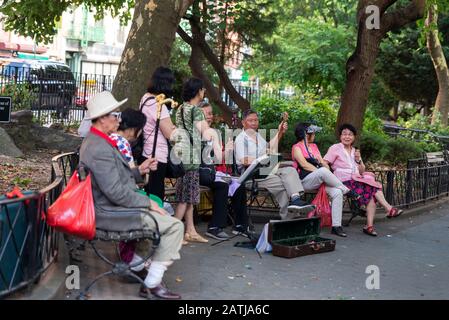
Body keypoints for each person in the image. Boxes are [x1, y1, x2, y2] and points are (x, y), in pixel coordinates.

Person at [79, 91, 183, 299]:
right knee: (174, 226)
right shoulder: (98, 147)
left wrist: (137, 172)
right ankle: (151, 283)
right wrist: (147, 203)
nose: (118, 119)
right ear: (101, 118)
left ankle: (137, 268)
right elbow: (116, 192)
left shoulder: (99, 141)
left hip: (112, 207)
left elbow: (114, 180)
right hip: (108, 213)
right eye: (114, 115)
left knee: (160, 221)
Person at [324, 123, 403, 236]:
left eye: (350, 134)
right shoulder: (335, 148)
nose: (347, 137)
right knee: (373, 189)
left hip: (356, 179)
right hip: (343, 181)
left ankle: (370, 226)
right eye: (344, 134)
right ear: (340, 136)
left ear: (354, 137)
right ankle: (388, 209)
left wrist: (358, 159)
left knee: (372, 192)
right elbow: (325, 161)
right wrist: (329, 176)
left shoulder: (355, 151)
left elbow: (362, 170)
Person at [234, 109, 315, 220]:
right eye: (250, 120)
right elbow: (244, 160)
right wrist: (264, 159)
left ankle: (296, 200)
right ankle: (289, 217)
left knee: (290, 170)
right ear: (243, 123)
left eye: (256, 120)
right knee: (285, 184)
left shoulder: (257, 136)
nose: (254, 123)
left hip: (265, 171)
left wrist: (280, 132)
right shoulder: (240, 139)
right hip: (251, 175)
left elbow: (269, 147)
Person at [174, 78, 222, 243]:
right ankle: (173, 234)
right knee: (185, 198)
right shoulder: (195, 111)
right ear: (198, 91)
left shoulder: (180, 109)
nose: (204, 93)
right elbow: (205, 132)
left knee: (188, 196)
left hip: (181, 156)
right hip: (192, 158)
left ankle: (190, 231)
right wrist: (215, 136)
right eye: (203, 90)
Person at [292, 123, 360, 237]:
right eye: (312, 132)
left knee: (337, 192)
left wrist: (322, 165)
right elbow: (304, 165)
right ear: (306, 134)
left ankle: (336, 226)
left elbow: (325, 167)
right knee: (323, 172)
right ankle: (348, 191)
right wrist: (321, 172)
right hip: (304, 182)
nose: (314, 134)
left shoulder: (314, 147)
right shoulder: (297, 147)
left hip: (319, 181)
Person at [198, 101, 250, 240]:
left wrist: (227, 150)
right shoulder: (195, 132)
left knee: (239, 183)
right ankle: (215, 226)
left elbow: (220, 159)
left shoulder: (214, 133)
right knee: (222, 185)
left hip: (211, 172)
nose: (210, 116)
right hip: (197, 172)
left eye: (210, 113)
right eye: (206, 114)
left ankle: (240, 225)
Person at [140, 67, 177, 201]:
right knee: (156, 196)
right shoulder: (158, 104)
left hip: (146, 152)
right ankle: (156, 221)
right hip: (157, 155)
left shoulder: (145, 99)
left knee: (149, 192)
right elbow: (169, 134)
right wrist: (175, 129)